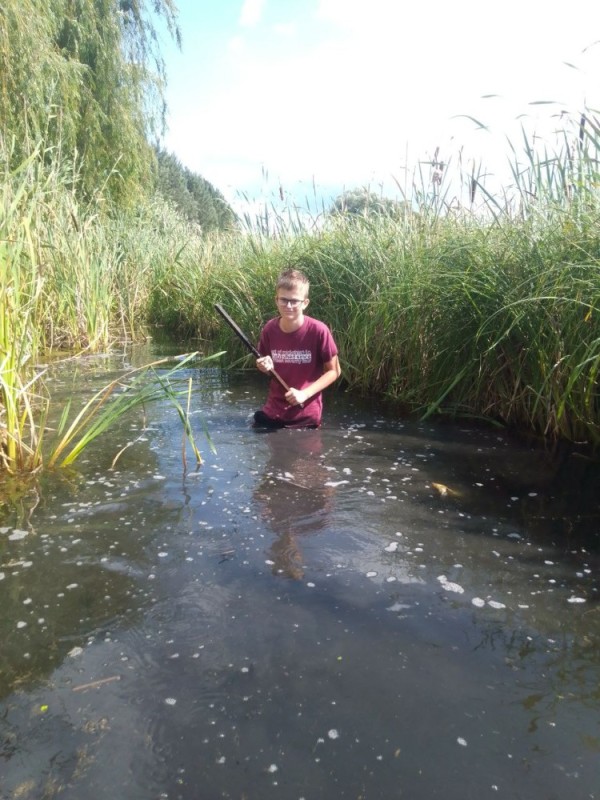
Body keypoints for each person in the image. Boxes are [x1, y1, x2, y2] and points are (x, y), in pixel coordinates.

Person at [254, 268, 341, 428]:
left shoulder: (319, 331)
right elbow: (266, 367)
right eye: (283, 300)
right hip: (274, 411)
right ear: (276, 300)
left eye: (294, 301)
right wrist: (263, 366)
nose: (288, 305)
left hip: (306, 414)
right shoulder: (269, 329)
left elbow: (334, 371)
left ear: (305, 303)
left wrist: (304, 394)